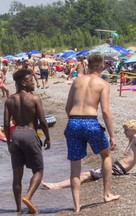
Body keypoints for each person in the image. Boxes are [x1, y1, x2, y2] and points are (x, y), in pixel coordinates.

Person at [64, 54, 120, 213]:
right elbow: (105, 111)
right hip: (90, 121)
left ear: (88, 65)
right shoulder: (103, 84)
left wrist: (75, 123)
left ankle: (76, 206)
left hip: (73, 121)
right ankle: (107, 194)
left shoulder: (76, 81)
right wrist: (112, 135)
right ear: (102, 67)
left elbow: (68, 107)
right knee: (106, 155)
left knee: (75, 164)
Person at [3, 68, 51, 214]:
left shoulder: (10, 100)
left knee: (17, 175)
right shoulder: (35, 99)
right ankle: (28, 197)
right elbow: (42, 121)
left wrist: (8, 142)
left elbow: (6, 124)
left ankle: (18, 209)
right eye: (31, 80)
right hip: (30, 134)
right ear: (23, 82)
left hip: (16, 135)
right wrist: (47, 137)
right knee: (38, 170)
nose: (34, 83)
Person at [42, 119, 136, 190]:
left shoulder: (135, 138)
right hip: (116, 167)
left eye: (126, 130)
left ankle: (56, 186)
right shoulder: (132, 139)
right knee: (85, 175)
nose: (124, 132)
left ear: (133, 130)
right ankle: (57, 185)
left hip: (118, 169)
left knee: (85, 175)